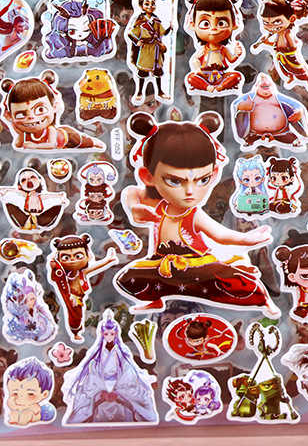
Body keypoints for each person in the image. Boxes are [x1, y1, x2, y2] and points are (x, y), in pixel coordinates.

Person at [114, 112, 280, 317]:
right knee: (128, 278)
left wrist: (246, 239)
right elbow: (131, 192)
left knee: (230, 282)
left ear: (214, 174)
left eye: (202, 180)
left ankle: (264, 300)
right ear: (147, 177)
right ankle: (156, 299)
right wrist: (134, 208)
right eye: (175, 181)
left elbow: (220, 235)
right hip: (163, 268)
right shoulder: (159, 207)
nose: (190, 192)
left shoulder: (192, 214)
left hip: (195, 267)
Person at [62, 311, 157, 425]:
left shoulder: (122, 352)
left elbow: (127, 371)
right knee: (84, 398)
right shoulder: (97, 354)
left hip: (122, 386)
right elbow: (93, 374)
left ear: (116, 334)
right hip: (99, 386)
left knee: (140, 397)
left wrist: (118, 392)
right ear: (102, 334)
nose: (109, 337)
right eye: (106, 334)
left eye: (112, 334)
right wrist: (101, 392)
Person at [0, 71, 105, 151]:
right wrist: (19, 131)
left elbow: (51, 144)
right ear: (9, 115)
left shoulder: (50, 129)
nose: (31, 117)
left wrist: (35, 146)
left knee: (83, 142)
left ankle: (94, 142)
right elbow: (18, 144)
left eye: (40, 109)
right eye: (21, 114)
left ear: (54, 106)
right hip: (60, 150)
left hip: (67, 137)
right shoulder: (27, 133)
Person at [47, 234, 118, 341]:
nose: (72, 260)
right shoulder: (64, 274)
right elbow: (55, 278)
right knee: (74, 316)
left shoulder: (82, 272)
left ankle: (76, 331)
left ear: (88, 256)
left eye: (78, 256)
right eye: (66, 257)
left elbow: (95, 266)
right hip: (70, 298)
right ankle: (75, 332)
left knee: (78, 315)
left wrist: (108, 260)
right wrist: (54, 269)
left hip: (79, 298)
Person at [184, 0, 244, 94]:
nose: (213, 29)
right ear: (193, 25)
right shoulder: (204, 49)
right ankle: (207, 87)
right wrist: (198, 70)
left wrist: (237, 54)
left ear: (234, 24)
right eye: (205, 24)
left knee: (237, 76)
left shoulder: (223, 49)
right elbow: (195, 59)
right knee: (191, 78)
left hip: (222, 75)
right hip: (205, 75)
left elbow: (231, 60)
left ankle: (221, 87)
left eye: (221, 23)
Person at [232, 72, 308, 150]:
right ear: (256, 87)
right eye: (262, 84)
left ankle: (296, 141)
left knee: (290, 138)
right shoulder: (250, 97)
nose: (264, 82)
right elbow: (236, 104)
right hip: (255, 132)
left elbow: (295, 104)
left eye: (267, 85)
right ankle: (249, 141)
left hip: (281, 132)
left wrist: (299, 111)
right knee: (249, 138)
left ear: (273, 87)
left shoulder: (278, 98)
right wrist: (242, 105)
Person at [125, 0, 173, 103]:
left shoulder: (156, 21)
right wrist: (137, 42)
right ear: (141, 6)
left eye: (152, 4)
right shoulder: (141, 23)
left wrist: (170, 27)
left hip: (156, 49)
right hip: (146, 50)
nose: (150, 6)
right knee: (143, 73)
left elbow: (163, 33)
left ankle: (160, 91)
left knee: (158, 73)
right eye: (147, 4)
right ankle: (139, 92)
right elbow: (130, 34)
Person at [4, 356, 56, 427]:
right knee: (13, 413)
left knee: (26, 414)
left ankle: (22, 422)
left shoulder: (34, 405)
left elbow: (36, 411)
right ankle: (14, 420)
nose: (21, 396)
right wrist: (12, 401)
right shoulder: (15, 402)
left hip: (31, 415)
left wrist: (28, 408)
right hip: (19, 414)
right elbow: (12, 406)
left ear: (44, 394)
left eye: (30, 394)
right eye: (15, 393)